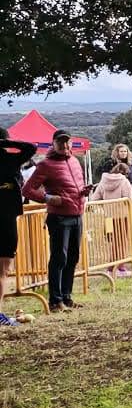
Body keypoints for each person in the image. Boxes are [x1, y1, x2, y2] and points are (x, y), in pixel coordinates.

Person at [22, 126, 86, 310]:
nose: (64, 145)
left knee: (73, 257)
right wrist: (49, 198)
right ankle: (55, 300)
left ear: (71, 142)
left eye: (67, 141)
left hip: (77, 214)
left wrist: (83, 191)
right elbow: (27, 189)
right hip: (59, 217)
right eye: (60, 142)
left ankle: (66, 297)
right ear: (54, 144)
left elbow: (74, 186)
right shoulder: (45, 165)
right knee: (59, 258)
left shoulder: (75, 161)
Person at [0, 128, 36, 323]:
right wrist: (6, 144)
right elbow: (31, 148)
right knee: (2, 271)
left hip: (7, 217)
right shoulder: (11, 160)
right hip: (5, 220)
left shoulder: (10, 160)